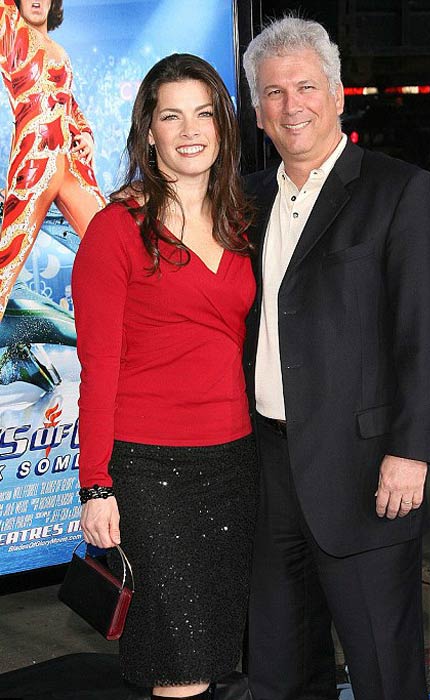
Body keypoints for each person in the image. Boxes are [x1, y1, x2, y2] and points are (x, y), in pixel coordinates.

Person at [242, 16, 430, 700]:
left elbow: (428, 334)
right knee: (279, 671)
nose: (291, 104)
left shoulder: (398, 191)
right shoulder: (245, 201)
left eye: (306, 86)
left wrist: (412, 452)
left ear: (338, 94)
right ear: (257, 111)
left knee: (382, 671)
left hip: (366, 474)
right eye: (274, 93)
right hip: (268, 474)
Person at [71, 53, 258, 699]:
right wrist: (96, 485)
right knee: (178, 659)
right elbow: (99, 368)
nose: (189, 129)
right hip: (150, 471)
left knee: (212, 649)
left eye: (203, 113)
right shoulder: (115, 230)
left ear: (224, 126)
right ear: (148, 131)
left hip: (234, 463)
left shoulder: (243, 224)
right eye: (170, 115)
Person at [0, 0, 106, 320]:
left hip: (69, 162)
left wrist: (86, 134)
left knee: (114, 240)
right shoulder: (12, 35)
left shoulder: (59, 50)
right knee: (7, 262)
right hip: (34, 160)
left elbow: (68, 103)